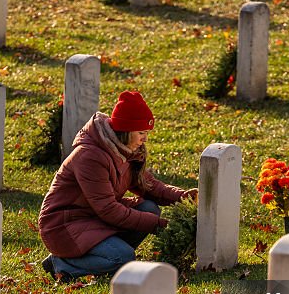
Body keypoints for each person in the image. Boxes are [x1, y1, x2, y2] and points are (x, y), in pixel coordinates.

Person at [38, 91, 197, 280]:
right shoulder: (90, 156)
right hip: (65, 225)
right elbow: (109, 210)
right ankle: (60, 263)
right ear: (126, 131)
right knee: (122, 258)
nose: (145, 139)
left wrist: (184, 197)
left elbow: (149, 186)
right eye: (141, 133)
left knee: (149, 208)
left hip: (93, 218)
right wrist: (159, 226)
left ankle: (106, 253)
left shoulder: (126, 150)